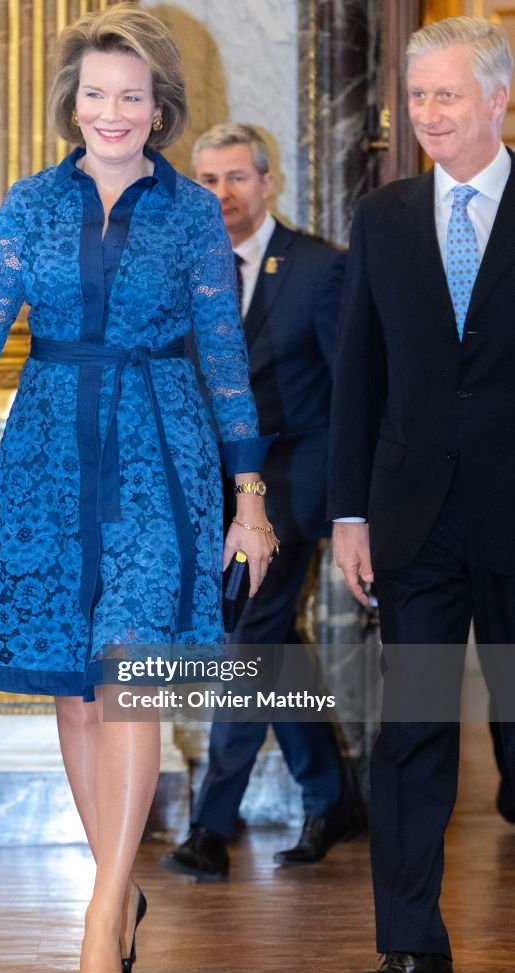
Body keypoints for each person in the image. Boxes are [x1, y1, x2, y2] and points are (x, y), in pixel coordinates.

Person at [0, 4, 276, 973]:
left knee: (127, 677)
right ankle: (120, 891)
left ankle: (100, 906)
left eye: (132, 96)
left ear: (160, 109)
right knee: (76, 686)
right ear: (73, 103)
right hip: (49, 451)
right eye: (96, 94)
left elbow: (224, 357)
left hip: (163, 452)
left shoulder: (193, 213)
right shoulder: (29, 202)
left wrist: (249, 496)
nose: (111, 112)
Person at [328, 15, 515, 973]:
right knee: (411, 732)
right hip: (412, 522)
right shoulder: (383, 217)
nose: (427, 115)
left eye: (446, 95)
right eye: (415, 98)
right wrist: (346, 512)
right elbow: (356, 372)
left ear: (496, 99)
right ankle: (413, 946)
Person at [161, 124, 363, 883]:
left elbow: (349, 393)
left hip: (290, 485)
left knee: (249, 638)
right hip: (210, 487)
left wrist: (353, 503)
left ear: (267, 181)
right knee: (270, 642)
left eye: (237, 177)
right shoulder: (185, 270)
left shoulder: (319, 269)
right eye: (207, 179)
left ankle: (211, 824)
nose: (222, 194)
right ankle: (330, 796)